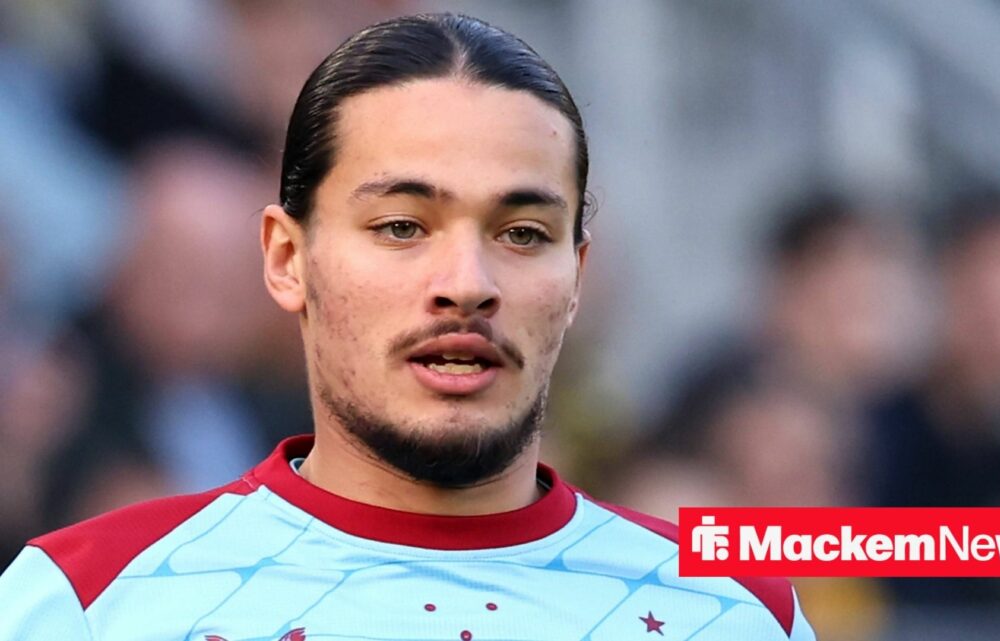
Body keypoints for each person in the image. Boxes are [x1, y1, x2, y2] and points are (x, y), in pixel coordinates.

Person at [0, 13, 814, 641]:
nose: (466, 285)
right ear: (287, 259)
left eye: (522, 233)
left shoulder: (731, 611)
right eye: (401, 226)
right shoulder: (85, 599)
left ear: (576, 277)